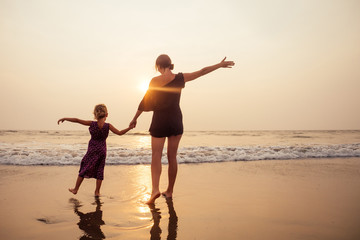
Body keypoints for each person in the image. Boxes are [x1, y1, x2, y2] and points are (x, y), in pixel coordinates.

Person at [129, 55, 234, 204]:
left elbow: (145, 100)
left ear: (158, 65)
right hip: (175, 120)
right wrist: (219, 65)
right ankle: (170, 191)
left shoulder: (155, 81)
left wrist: (135, 118)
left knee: (156, 155)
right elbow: (202, 71)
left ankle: (155, 190)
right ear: (170, 65)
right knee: (172, 157)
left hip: (160, 120)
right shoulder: (180, 78)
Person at [58, 104, 133, 197]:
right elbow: (120, 133)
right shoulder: (108, 126)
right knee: (100, 169)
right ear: (107, 114)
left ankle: (75, 189)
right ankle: (97, 192)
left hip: (92, 149)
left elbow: (77, 120)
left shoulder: (92, 124)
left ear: (95, 114)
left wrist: (65, 118)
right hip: (102, 150)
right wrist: (129, 128)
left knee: (85, 167)